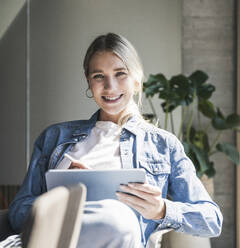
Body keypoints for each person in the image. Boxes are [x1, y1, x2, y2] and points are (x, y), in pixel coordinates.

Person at [5, 33, 222, 248]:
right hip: (55, 240)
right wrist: (62, 200)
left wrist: (162, 209)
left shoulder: (164, 145)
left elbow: (211, 219)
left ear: (137, 79)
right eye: (99, 76)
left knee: (119, 219)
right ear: (88, 80)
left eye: (120, 74)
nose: (110, 87)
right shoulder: (55, 137)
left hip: (119, 235)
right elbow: (17, 213)